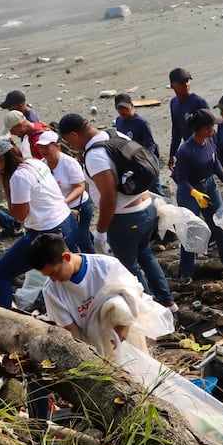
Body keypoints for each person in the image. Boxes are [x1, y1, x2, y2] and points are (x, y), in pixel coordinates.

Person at [57, 114, 174, 309]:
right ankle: (167, 302)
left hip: (126, 218)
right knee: (145, 255)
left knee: (128, 268)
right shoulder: (115, 134)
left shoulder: (95, 155)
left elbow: (109, 197)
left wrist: (101, 232)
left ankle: (149, 311)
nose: (70, 145)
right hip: (147, 207)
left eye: (68, 140)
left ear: (74, 134)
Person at [29, 233, 171, 353]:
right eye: (48, 276)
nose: (53, 280)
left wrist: (124, 325)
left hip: (126, 335)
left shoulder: (106, 266)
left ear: (66, 257)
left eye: (54, 273)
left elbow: (135, 293)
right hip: (93, 345)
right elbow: (71, 329)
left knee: (116, 302)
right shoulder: (51, 291)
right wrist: (87, 355)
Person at [0, 137, 77, 309]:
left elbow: (19, 215)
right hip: (67, 221)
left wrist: (6, 186)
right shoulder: (36, 163)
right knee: (66, 272)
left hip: (47, 232)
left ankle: (4, 318)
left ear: (1, 159)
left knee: (1, 273)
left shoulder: (18, 177)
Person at [174, 108, 223, 278]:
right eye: (210, 127)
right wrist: (195, 194)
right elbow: (182, 180)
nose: (213, 130)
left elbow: (215, 162)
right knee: (190, 231)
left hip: (209, 185)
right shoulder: (186, 151)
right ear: (202, 129)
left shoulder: (209, 141)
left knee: (219, 223)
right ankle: (186, 273)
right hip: (190, 193)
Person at [36, 131, 94, 253]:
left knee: (81, 238)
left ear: (57, 146)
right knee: (78, 236)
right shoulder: (42, 165)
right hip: (61, 210)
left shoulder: (69, 163)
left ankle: (92, 262)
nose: (43, 151)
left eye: (47, 147)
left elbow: (80, 187)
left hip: (79, 206)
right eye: (41, 148)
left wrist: (65, 201)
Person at [114, 93, 164, 195]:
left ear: (131, 106)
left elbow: (150, 144)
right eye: (119, 108)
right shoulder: (119, 121)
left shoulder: (140, 122)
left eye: (125, 108)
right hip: (132, 160)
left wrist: (145, 159)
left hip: (148, 159)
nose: (122, 111)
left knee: (155, 189)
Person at [167, 67, 211, 173]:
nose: (186, 84)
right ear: (173, 85)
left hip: (202, 149)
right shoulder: (174, 103)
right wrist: (172, 153)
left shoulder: (199, 102)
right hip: (189, 150)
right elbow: (176, 130)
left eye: (187, 81)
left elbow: (210, 130)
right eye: (181, 82)